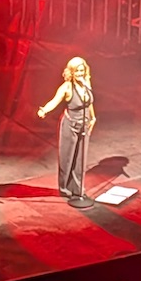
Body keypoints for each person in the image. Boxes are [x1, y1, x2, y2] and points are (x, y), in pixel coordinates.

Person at [37, 56, 96, 205]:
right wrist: (44, 110)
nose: (80, 74)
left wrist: (93, 117)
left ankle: (78, 190)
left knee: (80, 159)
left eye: (82, 70)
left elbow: (89, 103)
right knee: (67, 157)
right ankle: (65, 189)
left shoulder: (86, 83)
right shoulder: (67, 87)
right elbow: (54, 101)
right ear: (71, 72)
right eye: (77, 71)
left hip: (84, 124)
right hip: (70, 125)